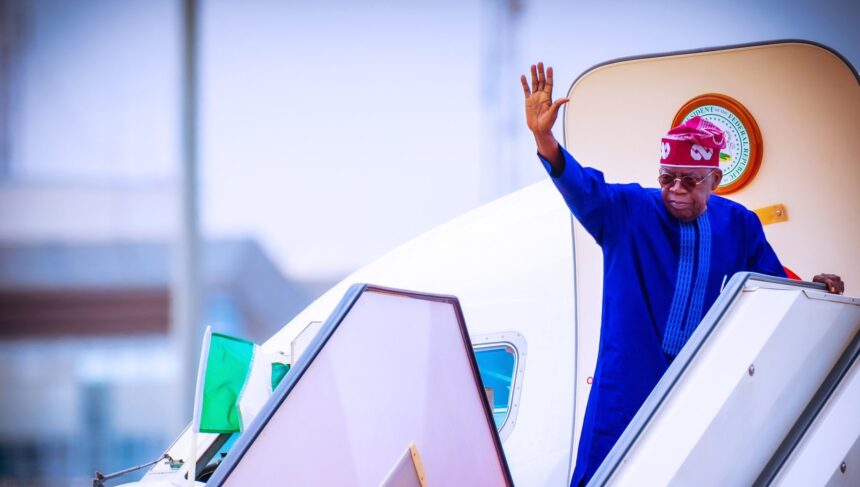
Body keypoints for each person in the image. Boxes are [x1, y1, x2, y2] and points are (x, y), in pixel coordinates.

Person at [520, 62, 845, 486]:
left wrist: (815, 289)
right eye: (667, 178)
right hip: (627, 384)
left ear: (715, 178)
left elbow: (771, 286)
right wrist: (544, 137)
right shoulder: (627, 212)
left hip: (698, 386)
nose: (675, 189)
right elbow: (582, 187)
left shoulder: (739, 224)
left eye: (689, 181)